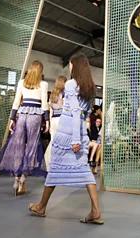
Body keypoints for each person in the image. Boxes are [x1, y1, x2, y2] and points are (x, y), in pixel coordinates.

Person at [28, 53, 103, 225]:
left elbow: (75, 112)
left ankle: (41, 207)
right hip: (81, 131)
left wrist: (75, 139)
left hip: (68, 131)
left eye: (70, 64)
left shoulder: (70, 84)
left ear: (74, 66)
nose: (69, 67)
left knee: (54, 168)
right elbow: (84, 114)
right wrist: (80, 136)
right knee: (85, 171)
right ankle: (95, 211)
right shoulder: (90, 87)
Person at [0, 61, 49, 196]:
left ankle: (16, 178)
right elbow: (44, 104)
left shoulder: (22, 82)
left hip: (22, 114)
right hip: (35, 115)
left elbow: (16, 101)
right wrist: (47, 120)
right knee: (31, 147)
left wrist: (12, 119)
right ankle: (24, 178)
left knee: (18, 145)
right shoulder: (43, 84)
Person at [44, 75, 67, 169]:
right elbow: (66, 109)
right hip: (62, 119)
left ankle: (49, 165)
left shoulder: (52, 95)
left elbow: (51, 112)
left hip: (53, 120)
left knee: (53, 142)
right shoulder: (65, 94)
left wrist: (48, 124)